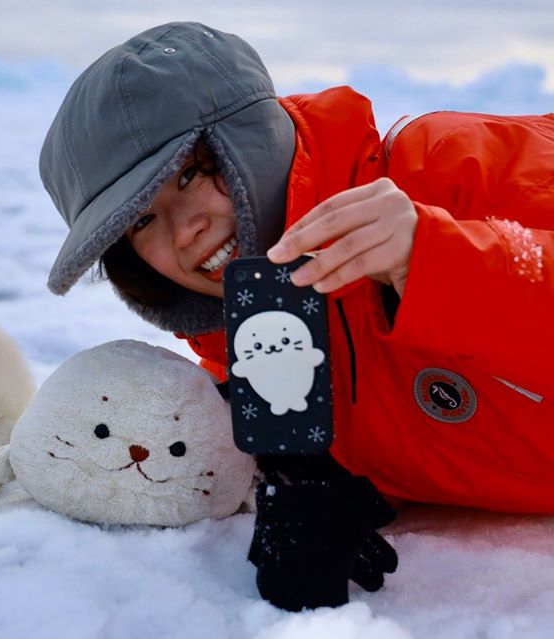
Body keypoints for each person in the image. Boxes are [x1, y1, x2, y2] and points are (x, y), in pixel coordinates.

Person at [38, 21, 554, 609]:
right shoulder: (245, 355)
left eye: (189, 175)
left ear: (254, 140)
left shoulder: (447, 169)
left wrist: (437, 267)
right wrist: (303, 477)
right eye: (142, 221)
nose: (186, 230)